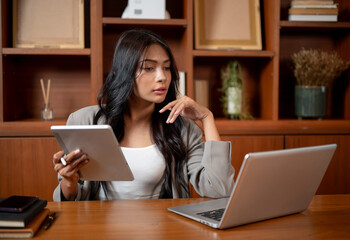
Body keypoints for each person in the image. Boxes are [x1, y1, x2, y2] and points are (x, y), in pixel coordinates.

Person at [52, 29, 235, 201]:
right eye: (149, 68)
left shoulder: (182, 128)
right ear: (121, 72)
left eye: (166, 67)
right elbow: (69, 199)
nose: (162, 76)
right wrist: (69, 181)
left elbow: (220, 189)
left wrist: (207, 117)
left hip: (163, 228)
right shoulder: (85, 121)